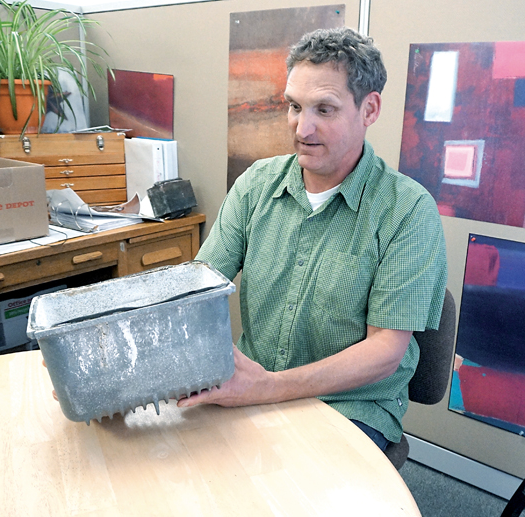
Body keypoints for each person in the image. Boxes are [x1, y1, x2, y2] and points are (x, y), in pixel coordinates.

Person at [177, 26, 448, 451]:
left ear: (369, 109)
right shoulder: (256, 186)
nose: (302, 128)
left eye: (324, 109)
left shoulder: (407, 211)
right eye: (294, 106)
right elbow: (195, 287)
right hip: (251, 389)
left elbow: (384, 352)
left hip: (351, 407)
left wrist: (267, 388)